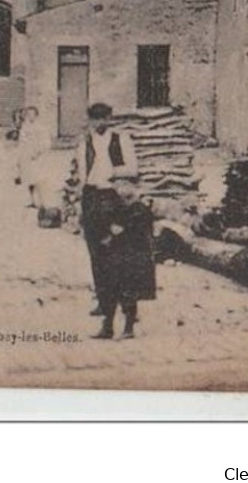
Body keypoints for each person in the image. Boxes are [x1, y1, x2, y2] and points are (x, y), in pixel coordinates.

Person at [78, 102, 154, 339]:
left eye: (103, 118)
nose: (99, 123)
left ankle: (125, 312)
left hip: (114, 196)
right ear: (90, 120)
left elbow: (132, 168)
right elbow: (82, 173)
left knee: (118, 256)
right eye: (95, 119)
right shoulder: (84, 142)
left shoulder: (121, 139)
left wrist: (113, 177)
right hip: (92, 198)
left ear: (110, 118)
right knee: (97, 254)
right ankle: (105, 306)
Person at [17, 105, 45, 209]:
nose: (30, 116)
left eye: (32, 114)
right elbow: (21, 142)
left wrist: (38, 152)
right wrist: (19, 157)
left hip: (37, 156)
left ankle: (41, 200)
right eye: (28, 114)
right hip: (27, 155)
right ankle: (31, 200)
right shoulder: (25, 127)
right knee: (29, 178)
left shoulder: (41, 127)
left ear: (36, 115)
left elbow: (45, 142)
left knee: (38, 179)